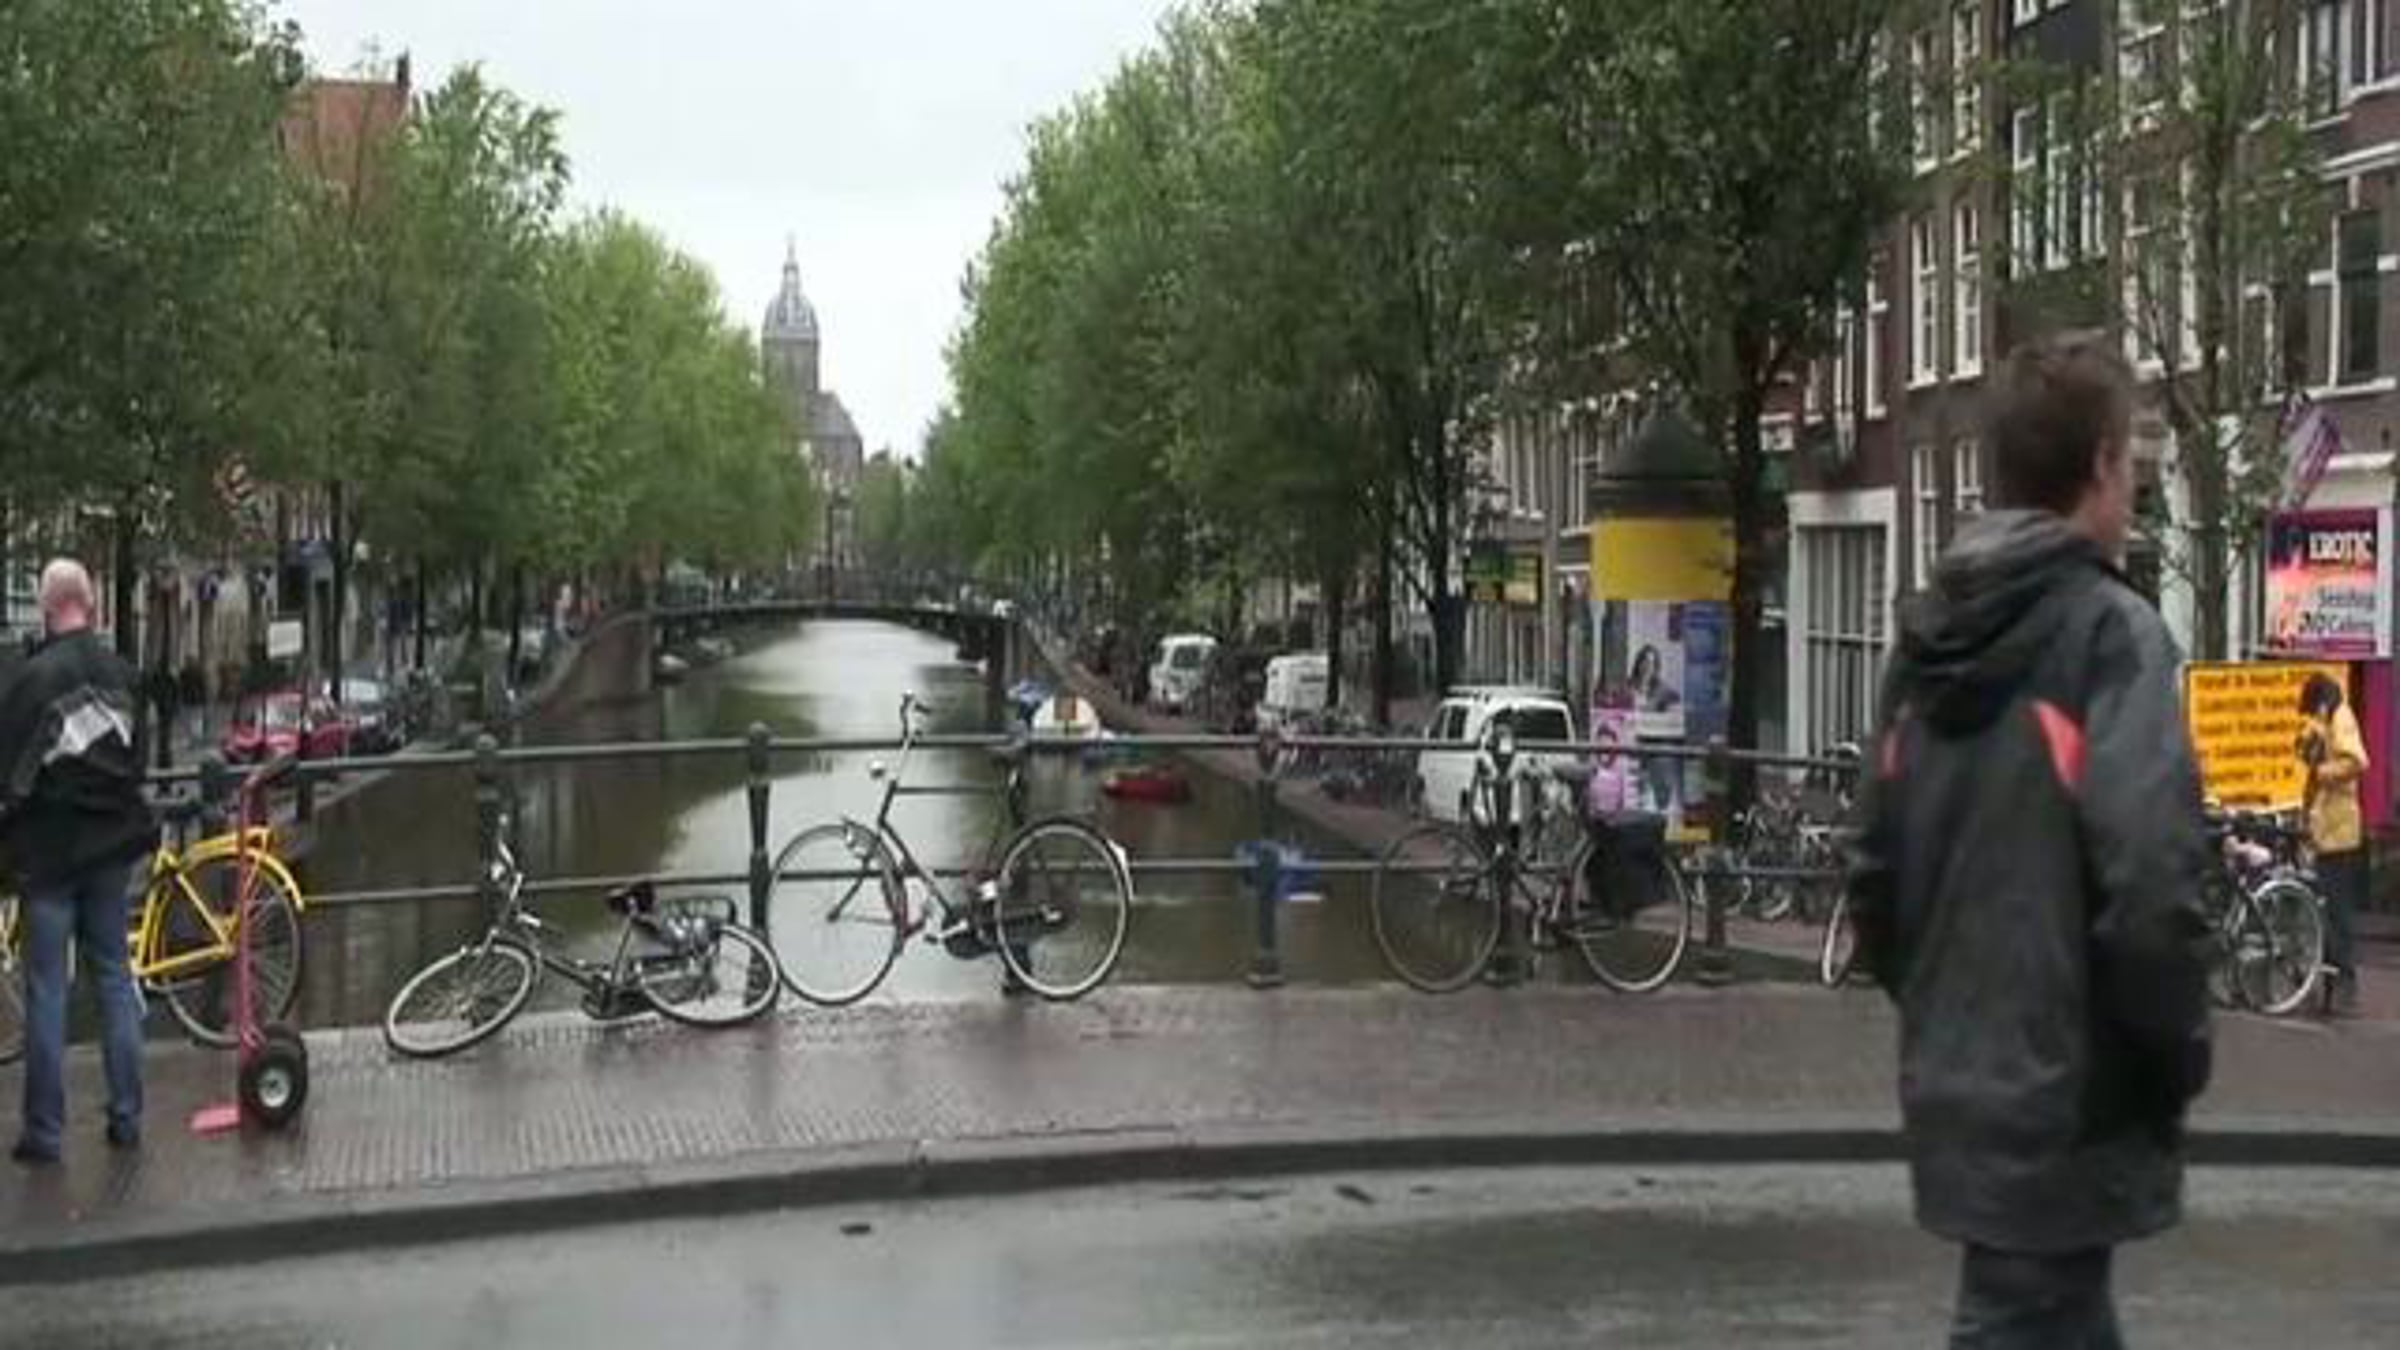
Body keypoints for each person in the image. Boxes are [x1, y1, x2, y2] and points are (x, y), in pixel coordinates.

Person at [1847, 334, 2213, 1347]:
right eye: (2129, 464)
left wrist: (1949, 1019)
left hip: (1960, 1084)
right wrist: (2171, 1054)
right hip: (2072, 1100)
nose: (2133, 491)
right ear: (2100, 465)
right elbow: (2153, 888)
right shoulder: (2111, 637)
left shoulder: (1927, 642)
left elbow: (1873, 873)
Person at [0, 559, 159, 1163]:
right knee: (116, 977)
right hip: (111, 853)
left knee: (48, 989)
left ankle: (45, 1131)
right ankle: (127, 1117)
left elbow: (12, 778)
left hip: (50, 857)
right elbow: (137, 764)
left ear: (46, 608)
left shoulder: (32, 682)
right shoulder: (124, 676)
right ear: (90, 604)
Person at [2298, 672, 2366, 1014]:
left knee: (2337, 912)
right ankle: (2329, 988)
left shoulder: (2342, 718)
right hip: (2324, 829)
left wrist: (2323, 772)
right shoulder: (2326, 719)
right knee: (2325, 910)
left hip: (2339, 832)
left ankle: (2345, 986)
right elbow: (2308, 751)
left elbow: (2356, 761)